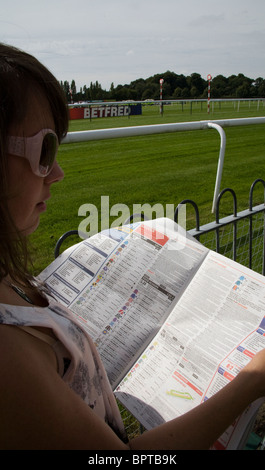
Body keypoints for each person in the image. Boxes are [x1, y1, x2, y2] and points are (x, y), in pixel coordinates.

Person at [0, 42, 265, 451]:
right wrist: (250, 383)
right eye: (44, 150)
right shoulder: (8, 359)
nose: (57, 173)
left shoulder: (7, 273)